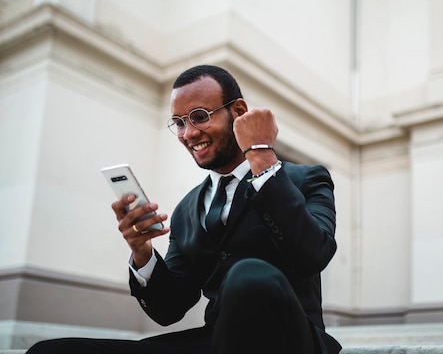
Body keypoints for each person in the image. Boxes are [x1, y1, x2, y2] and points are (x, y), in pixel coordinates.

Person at [27, 65, 342, 354]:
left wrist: (260, 155)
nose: (189, 133)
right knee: (51, 352)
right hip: (216, 342)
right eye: (178, 122)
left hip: (290, 339)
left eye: (200, 116)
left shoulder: (305, 178)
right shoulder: (187, 209)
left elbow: (313, 253)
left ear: (239, 112)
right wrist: (143, 253)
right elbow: (169, 309)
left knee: (249, 275)